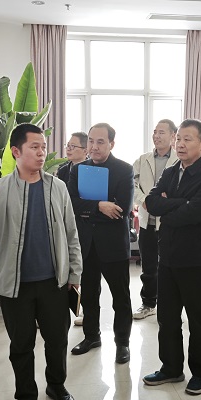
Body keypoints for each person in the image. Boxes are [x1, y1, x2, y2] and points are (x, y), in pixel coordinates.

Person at [0, 123, 82, 400]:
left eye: (43, 147)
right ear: (16, 151)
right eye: (34, 147)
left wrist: (75, 273)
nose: (42, 152)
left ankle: (56, 386)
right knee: (21, 346)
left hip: (54, 283)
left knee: (57, 340)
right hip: (15, 286)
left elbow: (71, 234)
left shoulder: (58, 187)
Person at [141, 119, 201, 395]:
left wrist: (170, 207)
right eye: (179, 139)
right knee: (167, 317)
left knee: (198, 319)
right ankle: (171, 368)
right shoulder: (171, 170)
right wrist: (180, 203)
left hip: (196, 259)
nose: (180, 144)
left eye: (188, 139)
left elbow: (195, 212)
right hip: (168, 257)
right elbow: (152, 203)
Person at [68, 123, 135, 365]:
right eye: (91, 141)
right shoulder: (78, 170)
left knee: (120, 297)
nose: (94, 147)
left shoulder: (124, 170)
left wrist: (89, 210)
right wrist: (99, 206)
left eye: (100, 142)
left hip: (113, 245)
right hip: (86, 244)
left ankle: (122, 343)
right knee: (89, 295)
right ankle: (91, 337)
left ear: (111, 144)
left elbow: (122, 209)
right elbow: (72, 203)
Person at [132, 119, 179, 320]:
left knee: (171, 266)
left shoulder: (179, 160)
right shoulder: (143, 159)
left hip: (170, 223)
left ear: (173, 136)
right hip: (147, 221)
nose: (156, 136)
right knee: (148, 267)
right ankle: (148, 303)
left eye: (161, 132)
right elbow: (131, 184)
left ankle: (170, 304)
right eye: (155, 132)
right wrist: (143, 200)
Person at [57, 131, 89, 327]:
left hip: (83, 224)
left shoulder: (90, 170)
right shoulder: (62, 170)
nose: (68, 149)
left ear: (85, 150)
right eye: (67, 145)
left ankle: (84, 309)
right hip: (63, 223)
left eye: (73, 146)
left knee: (82, 267)